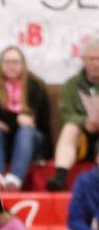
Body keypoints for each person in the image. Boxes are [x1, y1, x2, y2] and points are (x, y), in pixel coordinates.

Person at [0, 45, 52, 189]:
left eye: (16, 62)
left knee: (26, 131)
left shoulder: (36, 86)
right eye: (7, 62)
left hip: (30, 140)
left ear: (23, 64)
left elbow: (40, 120)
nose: (12, 66)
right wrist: (17, 119)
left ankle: (14, 181)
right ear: (0, 64)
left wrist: (5, 121)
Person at [47, 40, 99, 191]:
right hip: (81, 138)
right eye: (91, 59)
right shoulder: (72, 84)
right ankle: (60, 176)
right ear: (83, 60)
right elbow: (66, 113)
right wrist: (84, 121)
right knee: (70, 127)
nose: (96, 63)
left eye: (98, 59)